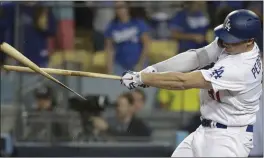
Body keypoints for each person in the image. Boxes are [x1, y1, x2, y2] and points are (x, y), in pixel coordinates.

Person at [120, 9, 262, 157]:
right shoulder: (235, 46)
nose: (226, 41)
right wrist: (153, 70)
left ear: (250, 40)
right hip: (205, 129)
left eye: (231, 39)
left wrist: (143, 78)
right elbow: (196, 57)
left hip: (229, 138)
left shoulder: (241, 67)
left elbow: (183, 82)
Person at [104, 1, 151, 75]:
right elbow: (109, 49)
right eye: (117, 8)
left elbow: (146, 44)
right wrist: (109, 68)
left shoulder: (138, 23)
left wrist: (141, 63)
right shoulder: (112, 27)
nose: (120, 10)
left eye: (122, 7)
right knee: (118, 85)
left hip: (138, 64)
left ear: (128, 8)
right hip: (119, 65)